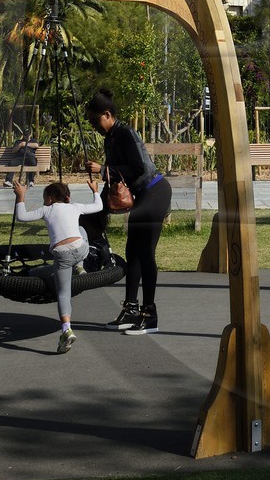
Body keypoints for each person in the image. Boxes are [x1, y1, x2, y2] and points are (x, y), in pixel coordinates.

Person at [85, 89, 172, 334]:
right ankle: (131, 309)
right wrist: (96, 208)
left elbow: (136, 168)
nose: (94, 126)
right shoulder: (110, 138)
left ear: (107, 114)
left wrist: (103, 168)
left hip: (155, 191)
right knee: (132, 252)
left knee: (145, 253)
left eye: (95, 121)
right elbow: (116, 178)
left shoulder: (125, 133)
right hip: (143, 195)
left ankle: (150, 314)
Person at [12, 177, 101, 354]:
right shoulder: (74, 206)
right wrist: (95, 190)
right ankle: (80, 267)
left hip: (62, 255)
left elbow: (21, 216)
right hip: (80, 249)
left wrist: (20, 196)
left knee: (63, 292)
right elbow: (98, 206)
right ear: (66, 197)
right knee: (81, 230)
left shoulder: (46, 210)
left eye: (45, 198)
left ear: (50, 199)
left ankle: (66, 329)